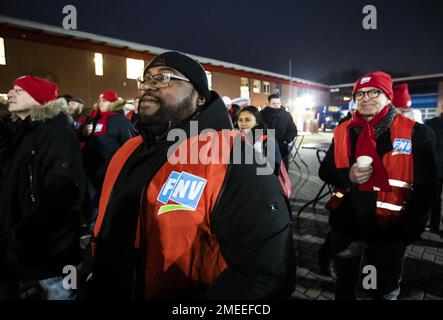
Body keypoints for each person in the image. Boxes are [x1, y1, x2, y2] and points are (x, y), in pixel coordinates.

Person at [90, 51, 296, 299]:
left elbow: (266, 275)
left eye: (164, 78)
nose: (148, 86)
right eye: (145, 79)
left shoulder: (234, 156)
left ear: (199, 97)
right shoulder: (126, 151)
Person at [319, 71, 437, 300]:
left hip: (388, 231)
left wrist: (410, 229)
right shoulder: (344, 129)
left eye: (374, 92)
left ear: (389, 97)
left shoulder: (417, 133)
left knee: (379, 290)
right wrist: (348, 176)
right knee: (345, 286)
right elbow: (325, 170)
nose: (365, 98)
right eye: (359, 93)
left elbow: (427, 190)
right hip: (347, 226)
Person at [0, 76, 85, 299]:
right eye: (12, 88)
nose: (10, 93)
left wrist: (21, 236)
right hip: (22, 250)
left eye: (19, 90)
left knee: (63, 294)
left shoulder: (57, 133)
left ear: (39, 98)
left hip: (51, 252)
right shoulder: (23, 133)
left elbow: (65, 194)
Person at [82, 90, 134, 231]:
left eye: (105, 100)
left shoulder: (120, 121)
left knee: (104, 203)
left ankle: (100, 229)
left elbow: (129, 145)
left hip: (109, 172)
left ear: (113, 103)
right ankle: (92, 227)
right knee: (93, 201)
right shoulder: (94, 118)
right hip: (92, 171)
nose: (101, 102)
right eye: (100, 100)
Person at [260, 94, 297, 169]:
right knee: (267, 171)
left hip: (282, 148)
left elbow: (293, 130)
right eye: (274, 103)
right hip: (265, 147)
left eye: (278, 103)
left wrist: (286, 140)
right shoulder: (261, 114)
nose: (276, 105)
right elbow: (257, 128)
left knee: (283, 171)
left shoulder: (286, 115)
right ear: (268, 103)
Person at [425, 111, 443, 233]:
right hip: (435, 167)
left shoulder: (431, 123)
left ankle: (433, 225)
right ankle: (434, 225)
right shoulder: (431, 123)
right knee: (433, 197)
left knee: (434, 197)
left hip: (435, 167)